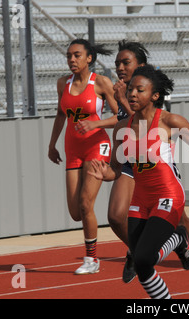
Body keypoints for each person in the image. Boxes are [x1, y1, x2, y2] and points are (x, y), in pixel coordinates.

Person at [89, 64, 189, 299]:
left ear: (155, 95)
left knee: (146, 256)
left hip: (168, 195)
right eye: (130, 90)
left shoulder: (170, 121)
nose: (133, 94)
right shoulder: (122, 127)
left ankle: (179, 238)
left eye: (140, 90)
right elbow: (116, 170)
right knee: (141, 262)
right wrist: (103, 173)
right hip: (141, 199)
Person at [48, 39, 119, 274]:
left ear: (89, 58)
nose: (72, 60)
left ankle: (92, 260)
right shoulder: (62, 84)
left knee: (86, 202)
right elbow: (60, 115)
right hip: (72, 150)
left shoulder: (100, 82)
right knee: (76, 212)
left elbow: (122, 117)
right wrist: (52, 144)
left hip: (97, 146)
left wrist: (95, 124)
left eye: (77, 55)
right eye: (69, 56)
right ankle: (92, 254)